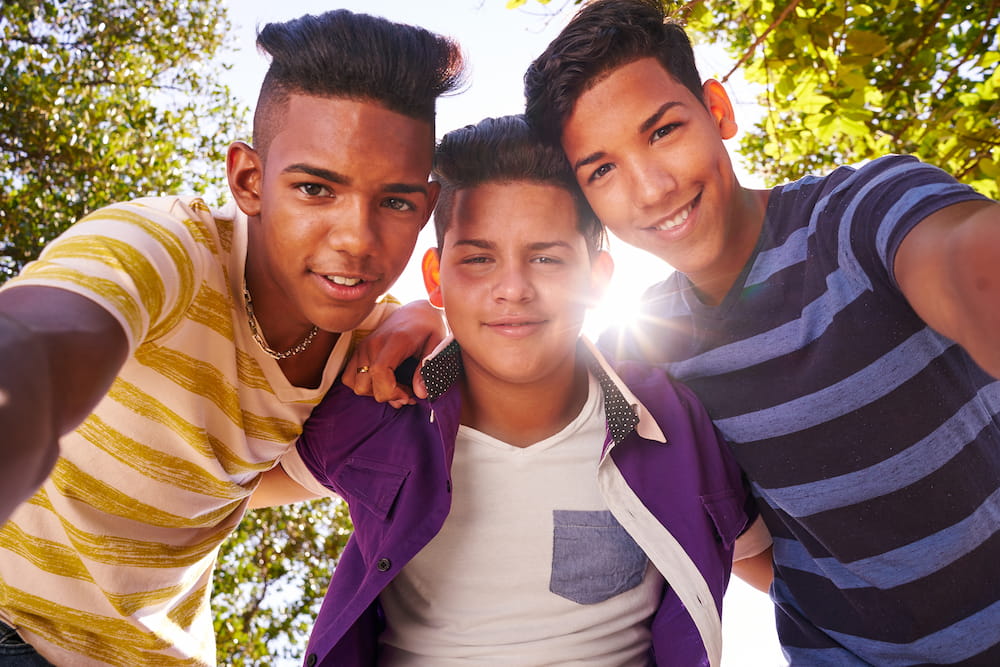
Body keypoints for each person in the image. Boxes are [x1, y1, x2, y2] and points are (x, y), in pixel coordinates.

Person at [516, 0, 1000, 664]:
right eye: (602, 169)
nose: (651, 189)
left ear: (717, 110)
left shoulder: (860, 215)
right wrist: (410, 323)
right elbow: (734, 538)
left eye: (663, 130)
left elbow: (970, 266)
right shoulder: (640, 362)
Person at [0, 9, 463, 665]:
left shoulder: (367, 344)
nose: (357, 238)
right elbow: (35, 346)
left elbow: (239, 482)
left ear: (426, 207)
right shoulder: (163, 248)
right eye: (315, 188)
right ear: (249, 180)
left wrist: (436, 321)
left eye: (395, 202)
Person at [290, 115, 772, 667]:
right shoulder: (378, 410)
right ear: (437, 278)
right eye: (478, 259)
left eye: (546, 258)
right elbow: (231, 490)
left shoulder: (673, 425)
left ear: (597, 278)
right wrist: (393, 318)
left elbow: (777, 568)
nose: (513, 289)